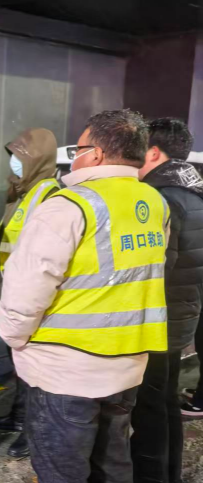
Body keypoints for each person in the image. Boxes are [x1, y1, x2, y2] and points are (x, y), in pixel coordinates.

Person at [0, 109, 170, 483]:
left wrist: (14, 338)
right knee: (113, 465)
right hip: (127, 365)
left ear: (96, 154)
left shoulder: (67, 206)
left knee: (63, 471)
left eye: (78, 148)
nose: (75, 156)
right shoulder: (154, 202)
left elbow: (25, 289)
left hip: (66, 372)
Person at [133, 118, 203, 483]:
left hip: (160, 320)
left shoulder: (161, 198)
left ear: (153, 152)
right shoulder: (193, 189)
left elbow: (160, 267)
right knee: (166, 403)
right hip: (184, 314)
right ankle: (170, 474)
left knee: (150, 409)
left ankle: (152, 476)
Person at [0, 128, 60, 458]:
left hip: (31, 298)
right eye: (13, 156)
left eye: (20, 157)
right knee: (17, 364)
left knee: (33, 370)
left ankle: (33, 431)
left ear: (37, 160)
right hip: (13, 293)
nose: (14, 163)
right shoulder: (24, 192)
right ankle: (18, 416)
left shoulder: (49, 195)